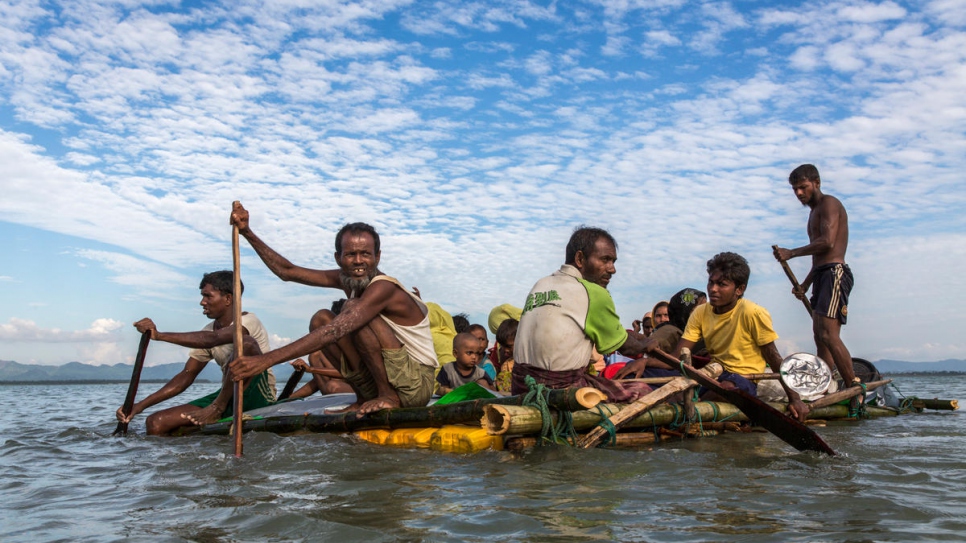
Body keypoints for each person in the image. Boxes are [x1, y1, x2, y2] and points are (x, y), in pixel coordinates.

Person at [227, 202, 438, 415]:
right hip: (389, 377)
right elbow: (287, 271)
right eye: (350, 254)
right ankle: (364, 396)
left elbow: (336, 330)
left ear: (377, 257)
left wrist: (266, 360)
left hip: (415, 386)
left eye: (365, 254)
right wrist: (247, 232)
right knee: (321, 318)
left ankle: (388, 396)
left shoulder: (384, 287)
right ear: (338, 258)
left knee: (353, 310)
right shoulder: (346, 279)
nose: (358, 261)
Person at [624, 252, 809, 421]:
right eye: (711, 282)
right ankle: (685, 401)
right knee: (641, 372)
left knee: (728, 388)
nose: (713, 289)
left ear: (739, 289)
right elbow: (677, 357)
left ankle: (687, 406)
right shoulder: (701, 312)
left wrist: (795, 399)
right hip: (711, 376)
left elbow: (774, 358)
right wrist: (645, 363)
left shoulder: (753, 312)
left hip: (743, 379)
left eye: (721, 284)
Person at [115, 271, 276, 435]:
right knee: (156, 422)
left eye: (208, 296)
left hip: (258, 394)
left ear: (228, 299)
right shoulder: (207, 331)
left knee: (246, 343)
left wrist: (159, 335)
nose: (202, 302)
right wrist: (138, 406)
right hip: (229, 395)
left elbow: (213, 339)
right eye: (202, 296)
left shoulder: (248, 321)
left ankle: (217, 408)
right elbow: (187, 374)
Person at [511, 226, 651, 401]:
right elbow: (625, 346)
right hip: (560, 392)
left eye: (613, 261)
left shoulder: (541, 284)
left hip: (520, 388)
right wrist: (647, 345)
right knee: (643, 391)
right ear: (580, 259)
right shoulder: (593, 292)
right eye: (605, 260)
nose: (612, 269)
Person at [773, 163, 857, 387]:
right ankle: (825, 386)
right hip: (821, 273)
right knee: (820, 337)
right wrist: (805, 284)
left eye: (803, 187)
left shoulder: (829, 204)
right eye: (795, 190)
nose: (799, 193)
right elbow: (819, 257)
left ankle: (854, 386)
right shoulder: (812, 214)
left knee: (829, 334)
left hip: (834, 273)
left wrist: (792, 253)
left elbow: (827, 243)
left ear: (816, 183)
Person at [286, 299, 354, 399]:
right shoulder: (332, 349)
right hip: (334, 390)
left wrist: (312, 369)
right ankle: (328, 400)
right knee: (315, 355)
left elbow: (351, 373)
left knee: (333, 386)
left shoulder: (356, 340)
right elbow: (316, 382)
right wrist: (289, 399)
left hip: (361, 390)